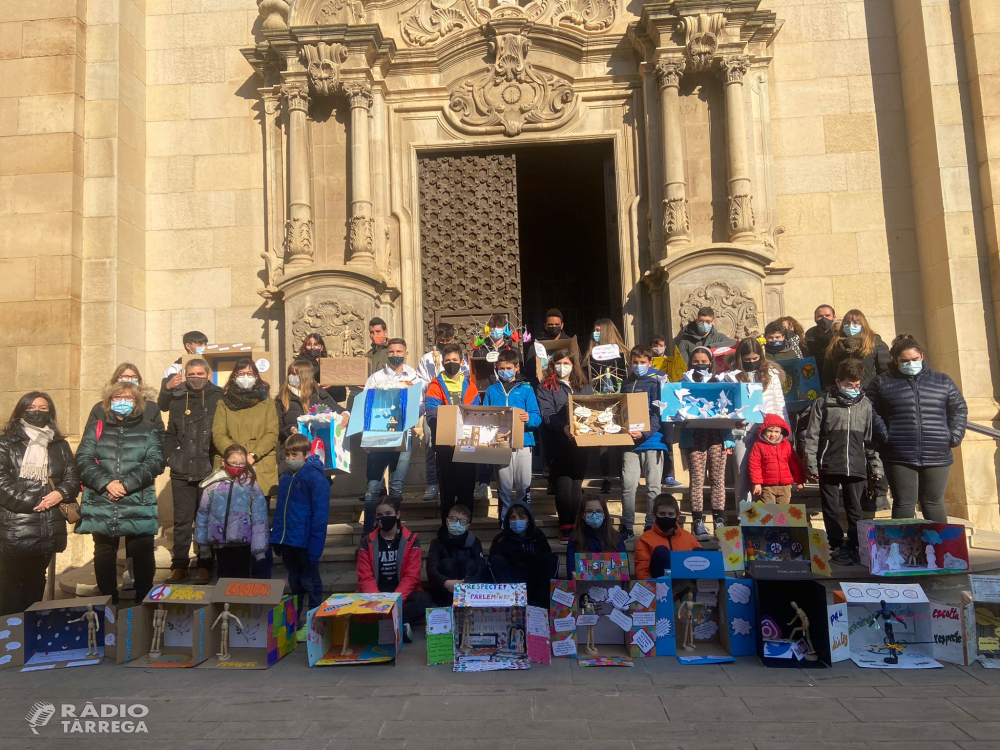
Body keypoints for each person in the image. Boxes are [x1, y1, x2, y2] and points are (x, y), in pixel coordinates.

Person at [76, 381, 165, 604]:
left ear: (137, 402)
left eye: (129, 398)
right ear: (108, 401)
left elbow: (156, 461)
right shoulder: (96, 427)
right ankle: (108, 603)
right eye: (117, 397)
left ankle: (143, 602)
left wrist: (125, 484)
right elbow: (83, 459)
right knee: (104, 552)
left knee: (143, 551)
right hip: (102, 498)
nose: (122, 401)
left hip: (137, 498)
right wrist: (107, 483)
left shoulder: (149, 429)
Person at [868, 335, 967, 523]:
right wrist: (885, 435)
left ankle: (940, 550)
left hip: (937, 452)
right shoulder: (882, 382)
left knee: (933, 502)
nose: (910, 364)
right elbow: (869, 409)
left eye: (914, 359)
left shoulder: (942, 381)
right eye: (904, 361)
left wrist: (953, 435)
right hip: (899, 453)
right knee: (904, 502)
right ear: (895, 360)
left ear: (921, 356)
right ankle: (901, 551)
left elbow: (959, 408)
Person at [0, 392, 79, 615]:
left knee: (36, 581)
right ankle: (10, 635)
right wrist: (36, 501)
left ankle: (30, 632)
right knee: (10, 584)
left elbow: (73, 477)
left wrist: (60, 494)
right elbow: (1, 480)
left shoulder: (59, 444)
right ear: (21, 411)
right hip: (15, 525)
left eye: (43, 408)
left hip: (47, 526)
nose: (37, 411)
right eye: (32, 407)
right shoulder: (6, 443)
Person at [804, 359, 880, 565]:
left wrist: (875, 465)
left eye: (857, 385)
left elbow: (870, 439)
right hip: (829, 463)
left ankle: (855, 544)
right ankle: (835, 545)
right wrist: (811, 463)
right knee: (830, 509)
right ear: (838, 381)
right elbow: (812, 436)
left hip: (856, 464)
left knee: (855, 508)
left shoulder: (865, 405)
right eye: (849, 384)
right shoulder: (823, 403)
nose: (854, 389)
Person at [213, 358, 279, 578]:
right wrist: (235, 457)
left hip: (260, 468)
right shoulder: (223, 403)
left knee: (260, 525)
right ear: (234, 376)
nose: (246, 377)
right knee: (234, 525)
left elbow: (272, 433)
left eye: (250, 373)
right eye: (241, 373)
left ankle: (262, 576)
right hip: (231, 471)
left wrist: (252, 455)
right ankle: (236, 578)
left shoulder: (267, 403)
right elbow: (218, 434)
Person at [161, 358, 224, 584]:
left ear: (208, 374)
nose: (195, 378)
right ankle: (179, 566)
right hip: (181, 468)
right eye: (191, 374)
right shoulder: (177, 399)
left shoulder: (220, 398)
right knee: (182, 521)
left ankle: (205, 565)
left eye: (199, 374)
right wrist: (169, 456)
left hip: (208, 469)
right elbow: (170, 432)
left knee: (206, 520)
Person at [271, 433, 330, 640]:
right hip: (288, 541)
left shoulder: (315, 478)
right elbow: (280, 511)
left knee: (311, 582)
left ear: (306, 454)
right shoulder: (286, 478)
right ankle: (294, 621)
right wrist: (276, 538)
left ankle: (314, 623)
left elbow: (320, 515)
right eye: (287, 455)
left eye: (294, 454)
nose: (289, 459)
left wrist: (315, 548)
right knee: (295, 582)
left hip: (305, 541)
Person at [362, 338, 421, 533]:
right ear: (387, 354)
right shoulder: (375, 378)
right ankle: (369, 533)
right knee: (372, 488)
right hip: (377, 436)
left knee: (396, 488)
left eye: (399, 351)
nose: (395, 355)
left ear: (406, 353)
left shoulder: (414, 378)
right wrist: (365, 435)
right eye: (392, 352)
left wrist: (408, 410)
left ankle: (394, 531)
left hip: (403, 436)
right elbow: (366, 406)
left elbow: (421, 406)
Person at [356, 495, 434, 641]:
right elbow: (365, 577)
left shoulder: (411, 540)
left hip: (401, 593)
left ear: (397, 515)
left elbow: (411, 577)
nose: (383, 518)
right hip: (376, 593)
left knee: (424, 601)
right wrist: (378, 601)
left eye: (388, 514)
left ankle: (385, 623)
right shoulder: (366, 542)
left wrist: (394, 600)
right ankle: (399, 625)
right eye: (379, 515)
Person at [536, 349, 594, 542]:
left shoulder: (583, 385)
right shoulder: (545, 386)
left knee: (577, 484)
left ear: (573, 365)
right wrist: (564, 428)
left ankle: (577, 525)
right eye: (558, 363)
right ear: (553, 365)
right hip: (557, 441)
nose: (562, 367)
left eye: (566, 363)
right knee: (563, 483)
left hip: (581, 442)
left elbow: (591, 407)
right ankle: (565, 526)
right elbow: (547, 414)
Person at [679, 347, 734, 542]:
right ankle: (698, 522)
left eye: (704, 361)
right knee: (697, 478)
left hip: (717, 435)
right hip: (694, 435)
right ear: (690, 362)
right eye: (696, 362)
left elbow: (730, 408)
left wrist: (731, 435)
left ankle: (719, 521)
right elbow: (676, 409)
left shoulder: (719, 381)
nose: (700, 365)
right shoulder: (683, 383)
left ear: (710, 363)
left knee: (718, 479)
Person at [481, 349, 541, 520]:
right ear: (496, 368)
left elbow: (537, 416)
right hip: (500, 443)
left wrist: (529, 418)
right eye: (501, 368)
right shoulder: (492, 390)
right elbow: (485, 415)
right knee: (504, 486)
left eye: (508, 368)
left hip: (524, 441)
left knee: (523, 484)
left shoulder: (526, 389)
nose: (504, 371)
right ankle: (505, 521)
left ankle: (524, 519)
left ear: (516, 368)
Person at [194, 444, 268, 579]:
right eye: (233, 463)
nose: (237, 467)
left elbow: (260, 516)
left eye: (241, 464)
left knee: (242, 577)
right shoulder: (212, 485)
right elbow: (203, 514)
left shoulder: (251, 484)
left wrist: (259, 550)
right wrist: (203, 546)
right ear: (223, 462)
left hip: (243, 543)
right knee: (223, 576)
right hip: (220, 543)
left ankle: (240, 601)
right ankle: (224, 601)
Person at [424, 343, 480, 523]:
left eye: (454, 360)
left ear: (462, 361)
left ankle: (465, 527)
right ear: (442, 363)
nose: (451, 363)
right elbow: (432, 415)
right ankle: (447, 529)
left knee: (466, 491)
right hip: (444, 447)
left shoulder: (470, 385)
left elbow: (476, 414)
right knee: (447, 492)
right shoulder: (435, 386)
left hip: (467, 446)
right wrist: (449, 435)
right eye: (447, 360)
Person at [731, 337, 789, 508]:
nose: (751, 363)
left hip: (768, 429)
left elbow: (779, 402)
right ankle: (745, 518)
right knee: (742, 475)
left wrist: (785, 431)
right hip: (743, 429)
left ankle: (767, 518)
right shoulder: (731, 374)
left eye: (755, 359)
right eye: (747, 360)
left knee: (767, 475)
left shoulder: (771, 373)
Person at [472, 313, 522, 502]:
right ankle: (484, 483)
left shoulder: (512, 349)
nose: (496, 331)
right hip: (485, 394)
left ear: (505, 329)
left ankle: (512, 483)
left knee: (506, 440)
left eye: (500, 327)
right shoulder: (481, 348)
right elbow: (475, 368)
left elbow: (518, 369)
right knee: (486, 440)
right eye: (493, 327)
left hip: (507, 396)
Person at [418, 323, 470, 502]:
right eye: (441, 340)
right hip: (434, 404)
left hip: (458, 410)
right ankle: (433, 483)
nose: (444, 342)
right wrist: (437, 380)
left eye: (447, 340)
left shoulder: (458, 357)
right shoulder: (427, 358)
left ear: (453, 339)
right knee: (431, 447)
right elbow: (421, 381)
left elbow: (466, 378)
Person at [618, 344, 665, 539]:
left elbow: (658, 413)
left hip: (652, 442)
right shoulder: (626, 383)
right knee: (628, 485)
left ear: (650, 362)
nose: (638, 365)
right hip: (629, 443)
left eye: (642, 363)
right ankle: (627, 526)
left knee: (653, 486)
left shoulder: (657, 382)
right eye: (635, 362)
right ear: (629, 362)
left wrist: (645, 433)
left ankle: (651, 525)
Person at [583, 318, 628, 494]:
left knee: (621, 440)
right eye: (594, 330)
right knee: (603, 441)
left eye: (599, 330)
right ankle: (606, 478)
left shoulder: (623, 353)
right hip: (599, 401)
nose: (595, 333)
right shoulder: (589, 354)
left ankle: (624, 477)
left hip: (619, 400)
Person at [489, 501, 557, 608]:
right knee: (496, 560)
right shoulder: (500, 539)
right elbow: (492, 563)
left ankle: (540, 605)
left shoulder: (538, 536)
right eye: (513, 517)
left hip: (535, 581)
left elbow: (546, 560)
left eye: (521, 517)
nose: (517, 521)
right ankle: (510, 604)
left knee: (551, 558)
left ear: (528, 520)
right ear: (508, 520)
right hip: (510, 581)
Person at [425, 503, 487, 606]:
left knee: (469, 563)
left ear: (467, 527)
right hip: (445, 590)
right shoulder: (437, 542)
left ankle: (465, 606)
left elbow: (481, 567)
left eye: (462, 521)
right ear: (447, 521)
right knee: (446, 563)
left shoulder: (474, 542)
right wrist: (445, 582)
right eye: (453, 519)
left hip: (469, 590)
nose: (457, 523)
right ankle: (449, 607)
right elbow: (432, 567)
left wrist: (467, 583)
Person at [275, 358, 345, 446]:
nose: (291, 377)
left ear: (304, 376)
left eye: (295, 374)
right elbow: (276, 426)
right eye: (290, 374)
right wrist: (290, 429)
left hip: (317, 449)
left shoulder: (319, 395)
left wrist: (346, 414)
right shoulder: (282, 398)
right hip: (292, 449)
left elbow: (340, 410)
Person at [634, 494, 702, 579]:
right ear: (654, 515)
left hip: (687, 584)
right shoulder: (645, 539)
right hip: (660, 586)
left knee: (700, 551)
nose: (666, 517)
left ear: (678, 515)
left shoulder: (688, 537)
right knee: (661, 550)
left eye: (671, 514)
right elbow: (642, 571)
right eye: (662, 514)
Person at [823, 309, 890, 390]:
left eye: (855, 323)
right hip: (841, 392)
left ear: (863, 324)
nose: (851, 326)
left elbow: (885, 371)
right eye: (847, 323)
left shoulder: (875, 344)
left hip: (869, 392)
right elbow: (827, 375)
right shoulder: (834, 345)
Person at [748, 413, 807, 504]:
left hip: (785, 486)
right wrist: (757, 483)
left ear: (781, 432)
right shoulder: (758, 445)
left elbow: (796, 464)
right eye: (770, 431)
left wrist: (800, 481)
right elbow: (754, 465)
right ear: (763, 431)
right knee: (769, 511)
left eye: (776, 431)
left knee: (782, 513)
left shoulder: (786, 445)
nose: (773, 434)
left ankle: (780, 518)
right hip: (767, 486)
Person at [90, 363, 165, 432]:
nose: (129, 380)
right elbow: (89, 436)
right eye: (125, 376)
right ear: (115, 380)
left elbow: (160, 435)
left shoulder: (151, 408)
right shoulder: (100, 408)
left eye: (134, 377)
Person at [565, 495, 625, 578]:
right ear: (583, 515)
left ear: (604, 515)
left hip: (612, 587)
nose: (594, 515)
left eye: (598, 511)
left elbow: (624, 570)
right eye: (589, 511)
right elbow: (571, 572)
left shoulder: (616, 537)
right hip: (583, 588)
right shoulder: (575, 538)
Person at [159, 330, 210, 404]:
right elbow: (163, 405)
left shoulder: (210, 365)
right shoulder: (173, 370)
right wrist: (167, 388)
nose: (204, 347)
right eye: (200, 344)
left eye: (205, 344)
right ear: (188, 346)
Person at [525, 308, 572, 386]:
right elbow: (530, 372)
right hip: (543, 387)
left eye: (557, 325)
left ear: (562, 325)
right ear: (545, 325)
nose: (554, 327)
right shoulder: (536, 346)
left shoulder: (569, 344)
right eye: (550, 324)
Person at [298, 333, 347, 402]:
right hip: (308, 401)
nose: (312, 347)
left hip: (327, 401)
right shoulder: (300, 363)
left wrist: (332, 386)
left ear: (321, 347)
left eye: (315, 344)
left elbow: (341, 392)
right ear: (305, 347)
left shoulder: (328, 363)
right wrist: (316, 387)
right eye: (309, 345)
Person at [805, 305, 837, 381]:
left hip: (834, 373)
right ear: (815, 318)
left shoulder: (838, 333)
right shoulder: (810, 333)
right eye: (820, 316)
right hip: (815, 373)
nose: (824, 319)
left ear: (834, 317)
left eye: (827, 315)